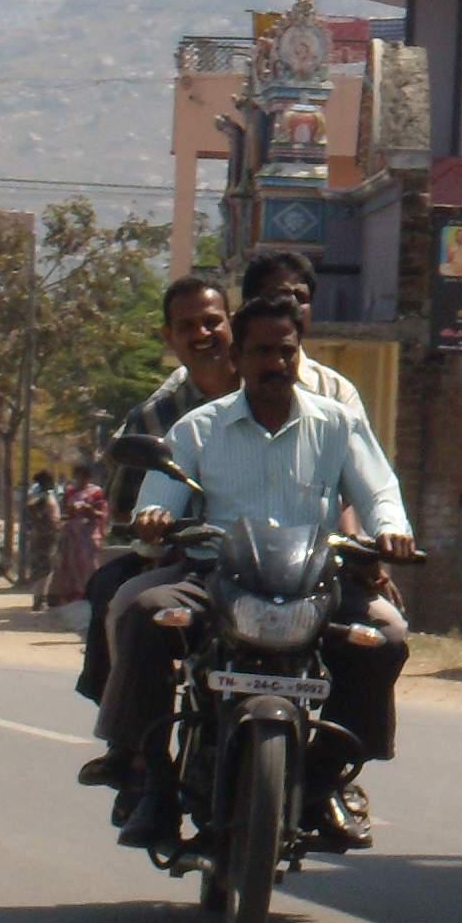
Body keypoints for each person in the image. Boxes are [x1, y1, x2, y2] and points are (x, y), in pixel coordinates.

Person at [92, 292, 412, 852]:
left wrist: (391, 529)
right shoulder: (198, 427)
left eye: (286, 351)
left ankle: (327, 780)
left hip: (314, 583)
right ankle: (153, 784)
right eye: (262, 352)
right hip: (216, 579)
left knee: (386, 636)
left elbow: (380, 489)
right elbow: (160, 492)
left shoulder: (337, 424)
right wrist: (155, 515)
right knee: (144, 614)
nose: (276, 363)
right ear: (237, 357)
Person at [81, 275, 237, 715]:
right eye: (187, 326)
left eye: (212, 322)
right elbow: (124, 505)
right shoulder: (153, 417)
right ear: (169, 337)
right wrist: (155, 521)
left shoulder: (272, 398)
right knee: (118, 598)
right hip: (185, 562)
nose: (202, 334)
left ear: (232, 324)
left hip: (275, 566)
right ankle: (133, 736)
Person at [234, 249, 368, 420]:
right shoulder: (225, 382)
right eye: (280, 295)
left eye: (301, 297)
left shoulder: (334, 391)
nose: (292, 305)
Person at [48, 460, 109, 609]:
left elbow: (102, 513)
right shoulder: (70, 492)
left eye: (83, 476)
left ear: (88, 477)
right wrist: (70, 512)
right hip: (72, 536)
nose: (80, 479)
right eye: (78, 476)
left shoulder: (96, 492)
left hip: (89, 534)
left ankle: (90, 593)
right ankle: (71, 595)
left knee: (89, 564)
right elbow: (64, 512)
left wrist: (89, 509)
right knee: (70, 564)